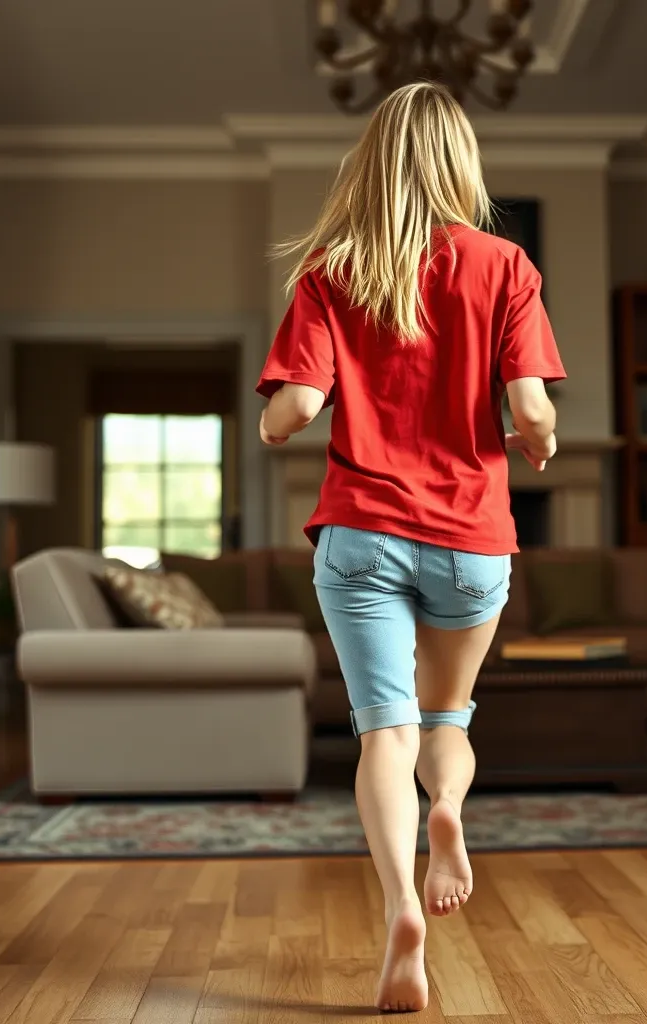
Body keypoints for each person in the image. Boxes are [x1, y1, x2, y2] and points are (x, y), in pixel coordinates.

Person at [256, 81, 565, 1013]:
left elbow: (296, 411)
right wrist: (539, 440)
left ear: (373, 162)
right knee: (449, 721)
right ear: (458, 162)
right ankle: (449, 810)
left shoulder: (331, 269)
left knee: (381, 732)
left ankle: (401, 907)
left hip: (360, 534)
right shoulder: (506, 265)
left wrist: (278, 419)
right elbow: (532, 410)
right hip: (472, 538)